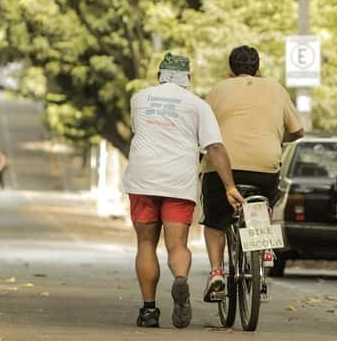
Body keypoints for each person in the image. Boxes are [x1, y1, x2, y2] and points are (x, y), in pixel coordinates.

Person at [122, 52, 243, 329]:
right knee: (177, 245)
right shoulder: (198, 105)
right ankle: (180, 278)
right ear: (188, 78)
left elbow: (138, 130)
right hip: (178, 180)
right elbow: (215, 147)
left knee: (145, 244)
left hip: (142, 178)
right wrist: (229, 186)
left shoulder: (139, 99)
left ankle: (149, 311)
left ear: (159, 76)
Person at [201, 45, 304, 302]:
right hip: (264, 163)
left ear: (229, 70)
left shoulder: (217, 90)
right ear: (258, 70)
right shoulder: (276, 89)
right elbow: (298, 132)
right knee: (265, 198)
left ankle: (216, 273)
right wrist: (277, 137)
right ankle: (265, 246)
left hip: (222, 166)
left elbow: (203, 131)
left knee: (214, 220)